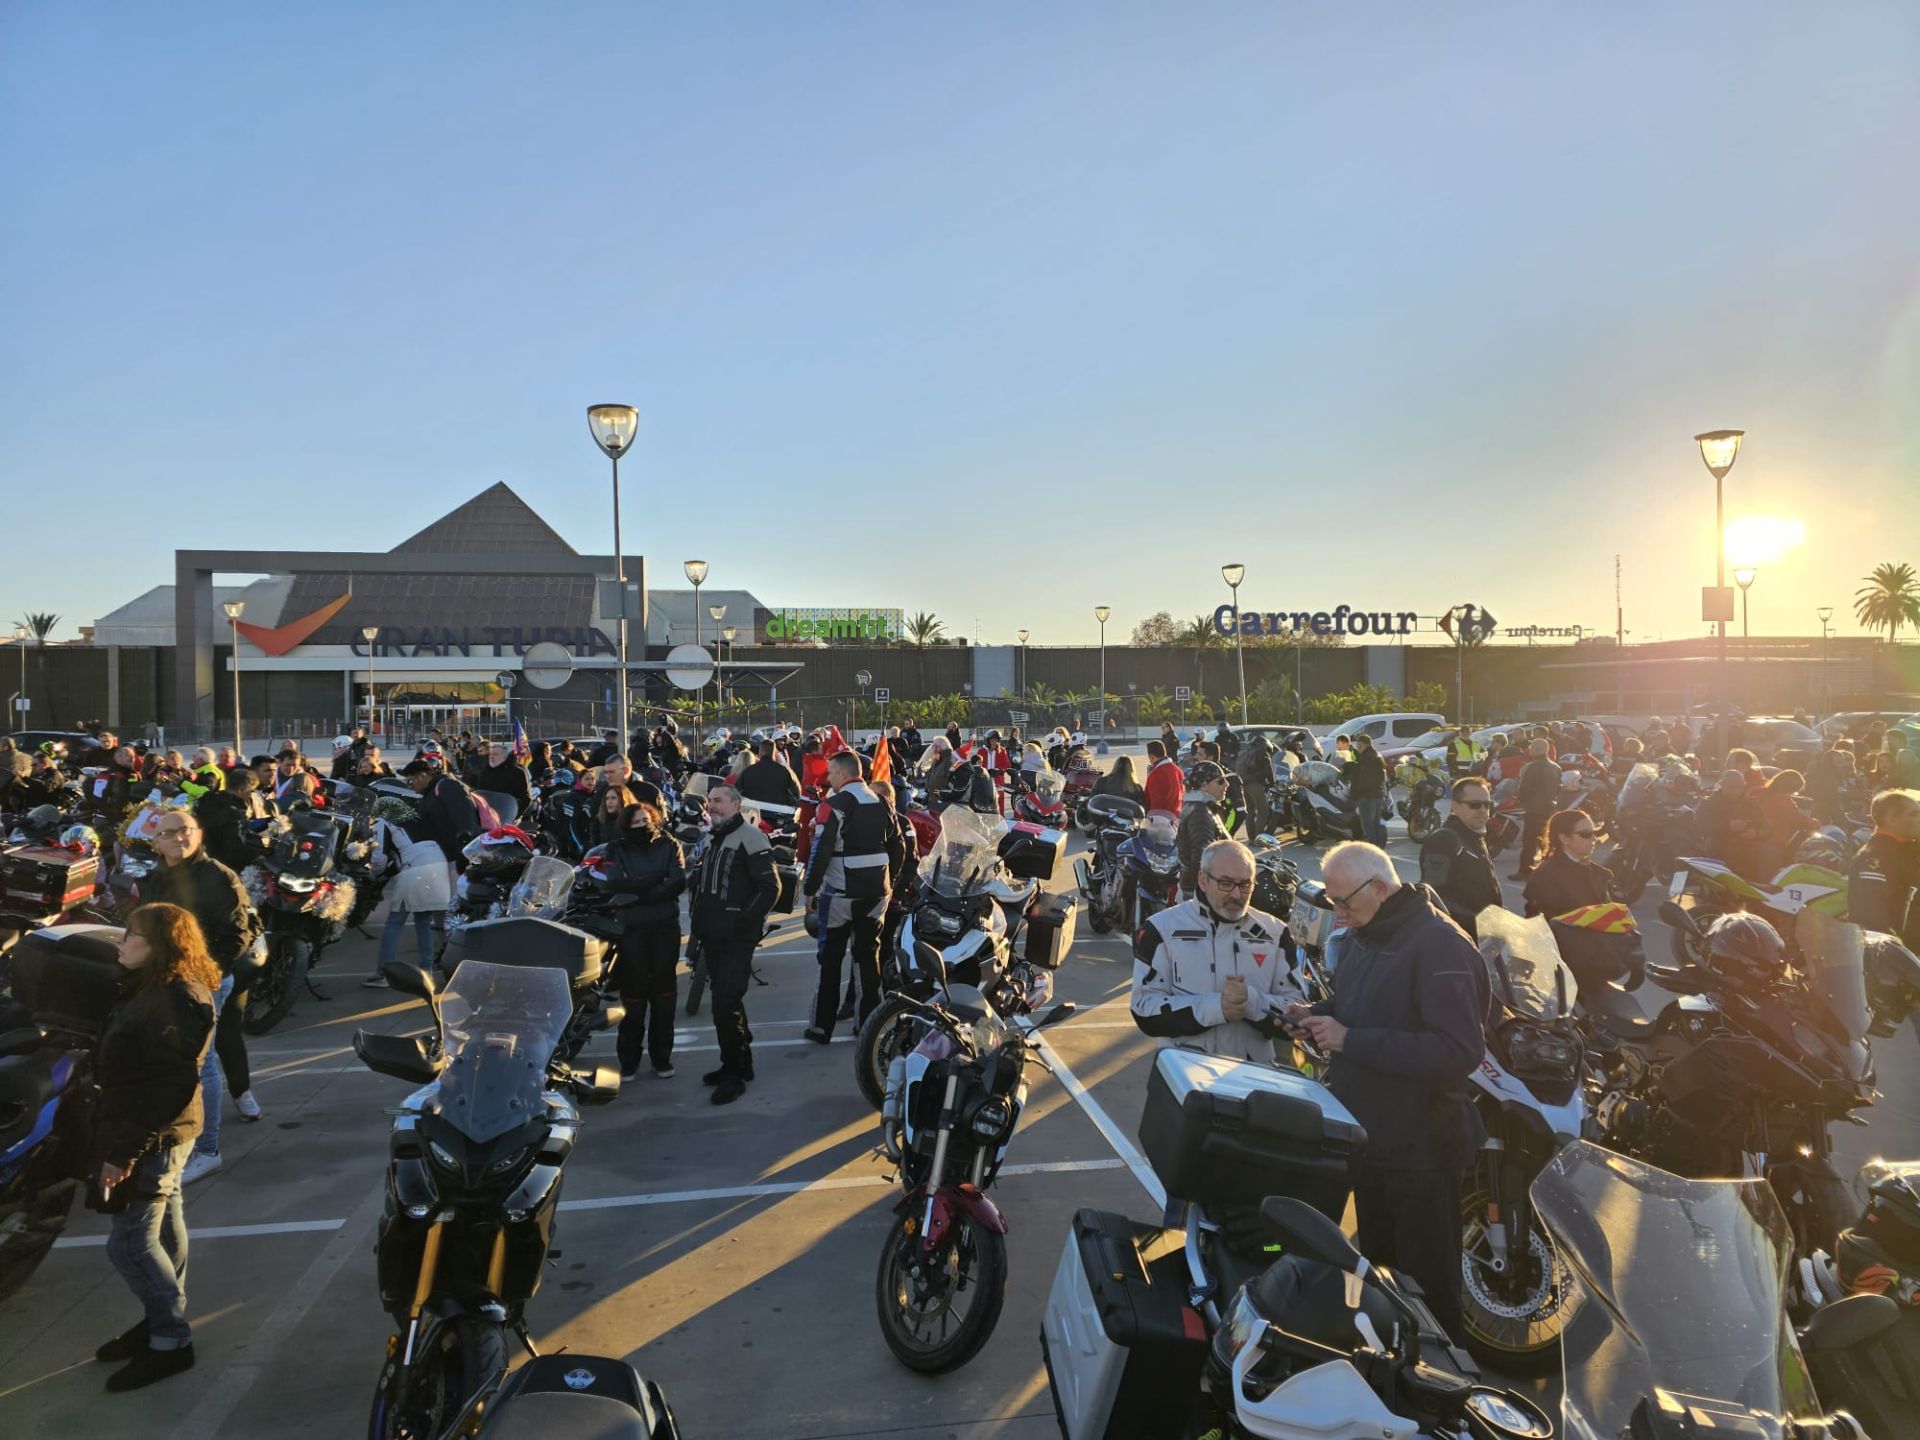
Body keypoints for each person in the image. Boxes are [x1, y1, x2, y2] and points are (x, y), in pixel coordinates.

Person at [1282, 841, 1487, 1339]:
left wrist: (1351, 1039)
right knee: (1380, 1281)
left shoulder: (1438, 944)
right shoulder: (1364, 934)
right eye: (1332, 903)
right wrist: (1318, 1014)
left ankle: (1447, 1393)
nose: (1339, 913)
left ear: (1380, 887)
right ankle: (1394, 1388)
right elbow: (1359, 1003)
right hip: (1370, 1141)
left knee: (1429, 1292)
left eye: (1344, 902)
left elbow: (1459, 1051)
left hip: (1423, 1152)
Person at [92, 903, 221, 1390]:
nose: (121, 942)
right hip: (151, 1129)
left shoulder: (174, 998)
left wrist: (122, 1151)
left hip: (154, 1134)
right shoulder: (150, 987)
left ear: (161, 946)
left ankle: (170, 1340)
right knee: (165, 1223)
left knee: (129, 1244)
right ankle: (158, 1319)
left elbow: (169, 1086)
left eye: (131, 936)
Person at [145, 809, 261, 1183]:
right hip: (168, 980)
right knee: (181, 1060)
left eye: (186, 830)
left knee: (203, 1063)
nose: (179, 838)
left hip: (204, 981)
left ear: (199, 834)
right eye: (170, 832)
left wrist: (210, 974)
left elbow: (237, 935)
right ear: (157, 841)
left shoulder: (217, 876)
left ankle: (207, 1149)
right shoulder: (156, 877)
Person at [1130, 839, 1301, 1061]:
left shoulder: (1276, 933)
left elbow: (1298, 1012)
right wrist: (1216, 1008)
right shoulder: (1161, 929)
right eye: (1226, 883)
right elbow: (1144, 1010)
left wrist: (1250, 1002)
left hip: (1253, 1077)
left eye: (1245, 885)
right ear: (1203, 880)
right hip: (1183, 1077)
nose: (1237, 895)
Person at [803, 751, 908, 1042]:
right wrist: (889, 881)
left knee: (830, 959)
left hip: (840, 895)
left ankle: (821, 1027)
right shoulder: (882, 802)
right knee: (868, 959)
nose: (828, 777)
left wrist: (809, 890)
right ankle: (868, 1026)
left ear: (844, 773)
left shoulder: (833, 804)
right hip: (876, 895)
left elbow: (820, 850)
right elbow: (899, 847)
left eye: (831, 772)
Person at [690, 785, 779, 1104]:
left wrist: (742, 923)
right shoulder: (715, 836)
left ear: (736, 804)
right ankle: (741, 1063)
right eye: (710, 801)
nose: (712, 806)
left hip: (735, 939)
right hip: (713, 935)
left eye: (719, 801)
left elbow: (770, 887)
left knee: (725, 1004)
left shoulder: (751, 837)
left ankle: (734, 1075)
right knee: (725, 1003)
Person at [603, 785, 687, 1080]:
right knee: (634, 996)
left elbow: (678, 880)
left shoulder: (669, 844)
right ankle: (629, 1061)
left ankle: (662, 1058)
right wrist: (654, 884)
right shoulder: (616, 848)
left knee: (664, 995)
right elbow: (615, 881)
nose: (642, 825)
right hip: (631, 929)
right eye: (636, 822)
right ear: (626, 825)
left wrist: (640, 889)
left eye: (645, 820)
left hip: (664, 925)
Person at [1419, 777, 1502, 937]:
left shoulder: (1475, 836)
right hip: (1461, 937)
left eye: (1488, 805)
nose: (1483, 810)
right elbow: (1435, 897)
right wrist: (1476, 923)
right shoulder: (1443, 840)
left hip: (1485, 935)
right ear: (1455, 807)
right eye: (1475, 805)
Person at [1847, 789, 1919, 949]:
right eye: (1914, 814)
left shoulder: (1906, 849)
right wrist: (1898, 958)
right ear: (1892, 819)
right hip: (1902, 961)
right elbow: (1870, 917)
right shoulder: (1875, 857)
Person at [1521, 809, 1613, 919]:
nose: (1594, 838)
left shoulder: (1599, 874)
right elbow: (1543, 925)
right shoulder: (1546, 876)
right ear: (1564, 838)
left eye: (1595, 832)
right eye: (1586, 834)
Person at [1176, 762, 1232, 896]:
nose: (1227, 784)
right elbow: (1202, 854)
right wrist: (1205, 891)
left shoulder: (1200, 806)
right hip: (1201, 890)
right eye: (1220, 781)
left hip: (1199, 886)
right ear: (1204, 785)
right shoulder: (1199, 812)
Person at [1512, 738, 1561, 880]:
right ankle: (1549, 870)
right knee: (1547, 840)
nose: (1529, 750)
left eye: (1531, 747)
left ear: (1538, 749)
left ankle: (1525, 871)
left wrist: (1520, 799)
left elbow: (1525, 787)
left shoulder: (1532, 766)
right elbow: (1558, 788)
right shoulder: (1555, 767)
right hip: (1550, 808)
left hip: (1534, 808)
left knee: (1529, 841)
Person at [1345, 733, 1390, 846]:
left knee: (1368, 827)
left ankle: (1372, 850)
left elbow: (1363, 779)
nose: (1358, 749)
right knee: (1375, 825)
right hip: (1377, 795)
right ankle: (1379, 849)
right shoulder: (1376, 755)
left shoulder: (1366, 758)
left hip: (1366, 797)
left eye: (1358, 746)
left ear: (1361, 744)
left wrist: (1355, 794)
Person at [472, 739, 532, 821]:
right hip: (488, 817)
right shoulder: (484, 772)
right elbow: (479, 793)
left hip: (508, 817)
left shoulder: (517, 772)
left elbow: (526, 798)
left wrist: (515, 815)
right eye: (490, 754)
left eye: (495, 754)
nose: (492, 757)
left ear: (504, 757)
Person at [737, 739, 803, 810]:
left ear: (760, 752)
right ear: (774, 752)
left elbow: (737, 792)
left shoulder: (748, 771)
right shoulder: (785, 771)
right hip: (778, 814)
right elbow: (796, 794)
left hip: (754, 813)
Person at [1144, 739, 1185, 815]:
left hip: (1159, 818)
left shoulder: (1156, 774)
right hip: (1176, 816)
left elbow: (1151, 800)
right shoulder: (1178, 771)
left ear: (1151, 756)